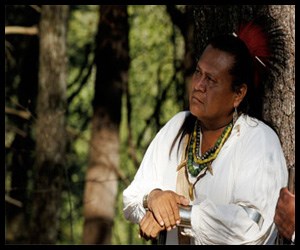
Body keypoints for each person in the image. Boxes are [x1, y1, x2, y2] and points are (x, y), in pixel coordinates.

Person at [123, 17, 288, 245]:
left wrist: (178, 214)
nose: (199, 85)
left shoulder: (258, 141)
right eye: (198, 73)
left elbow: (251, 225)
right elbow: (131, 197)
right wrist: (154, 198)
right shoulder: (177, 127)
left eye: (211, 79)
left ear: (238, 94)